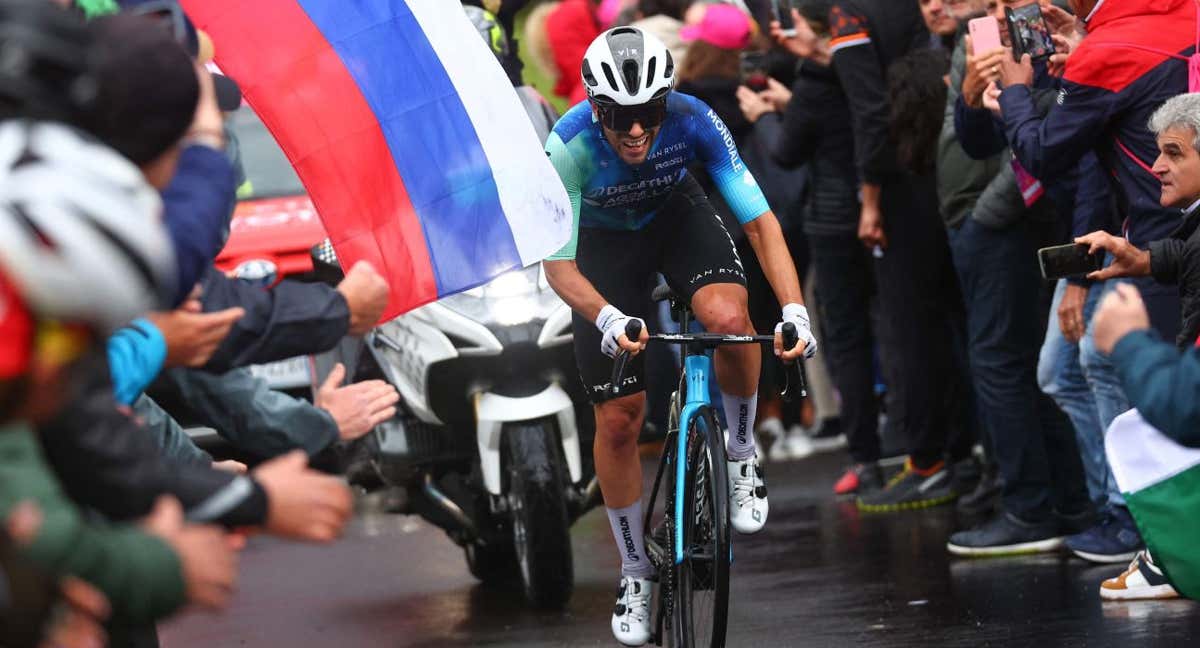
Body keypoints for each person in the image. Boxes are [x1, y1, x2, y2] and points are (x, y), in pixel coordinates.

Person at [541, 26, 816, 646]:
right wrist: (608, 316)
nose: (636, 131)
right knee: (619, 418)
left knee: (728, 322)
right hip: (602, 248)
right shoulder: (569, 145)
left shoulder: (694, 118)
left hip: (674, 216)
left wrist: (795, 311)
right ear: (594, 107)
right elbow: (557, 266)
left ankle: (742, 452)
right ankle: (636, 570)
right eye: (619, 117)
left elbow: (761, 223)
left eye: (648, 114)